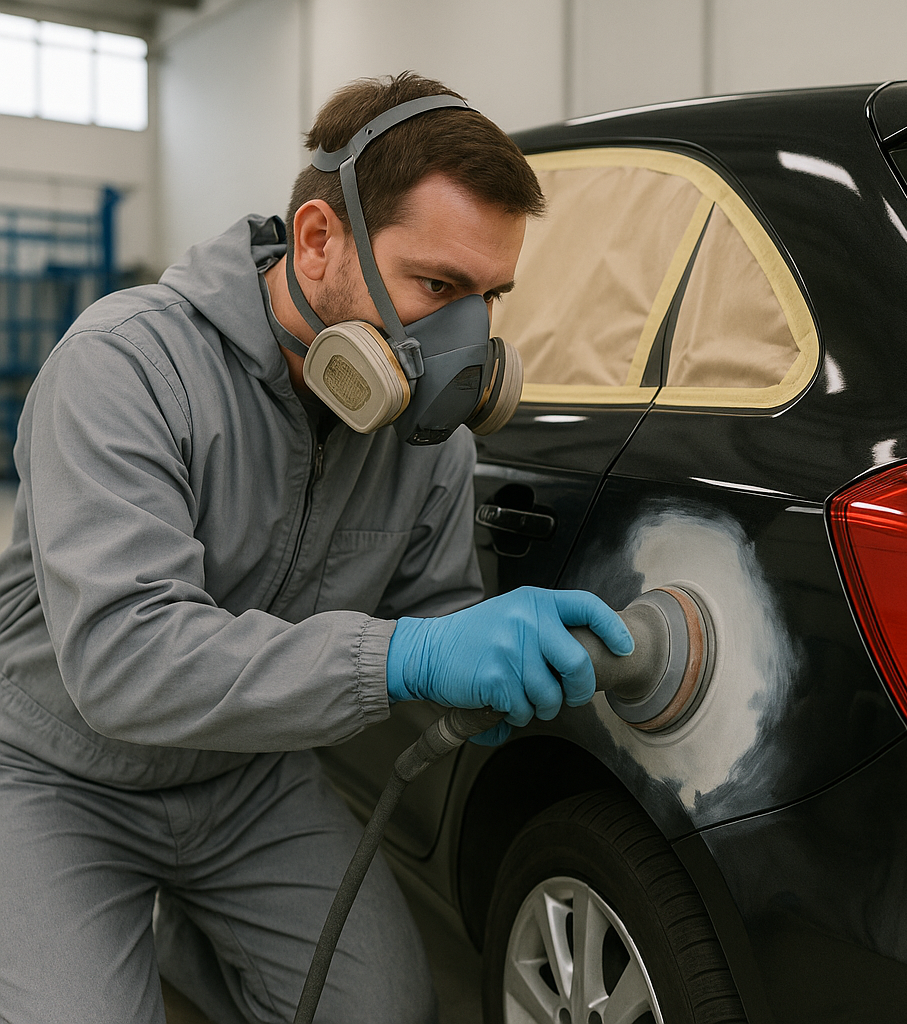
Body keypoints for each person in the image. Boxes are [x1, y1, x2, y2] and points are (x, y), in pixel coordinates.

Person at [0, 72, 632, 1024]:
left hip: (249, 777)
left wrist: (481, 650)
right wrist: (409, 658)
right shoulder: (123, 366)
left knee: (381, 1009)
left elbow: (430, 605)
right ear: (318, 239)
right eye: (438, 287)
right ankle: (124, 922)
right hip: (62, 771)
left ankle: (178, 929)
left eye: (490, 296)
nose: (468, 337)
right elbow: (124, 658)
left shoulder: (429, 439)